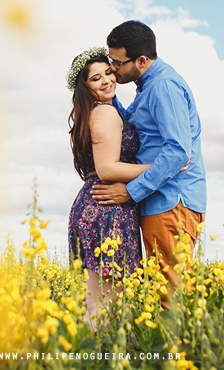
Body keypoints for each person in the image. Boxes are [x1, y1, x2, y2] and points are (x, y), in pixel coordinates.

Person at [91, 20, 206, 298]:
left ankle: (179, 343)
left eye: (117, 64)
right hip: (160, 200)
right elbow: (132, 121)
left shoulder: (163, 86)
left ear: (141, 60)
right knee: (161, 289)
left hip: (171, 201)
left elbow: (178, 152)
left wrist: (130, 192)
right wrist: (105, 93)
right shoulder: (147, 86)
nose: (113, 70)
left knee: (171, 295)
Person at [65, 46, 150, 330]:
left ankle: (95, 356)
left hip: (99, 205)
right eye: (95, 78)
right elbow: (107, 169)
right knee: (106, 305)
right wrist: (161, 167)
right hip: (106, 209)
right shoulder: (104, 113)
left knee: (99, 302)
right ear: (85, 87)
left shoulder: (97, 111)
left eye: (108, 73)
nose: (106, 81)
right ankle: (101, 358)